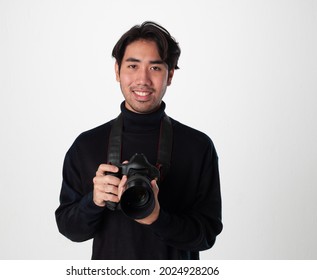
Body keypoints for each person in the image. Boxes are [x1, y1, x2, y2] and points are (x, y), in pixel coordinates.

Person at [55, 21, 222, 260]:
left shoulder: (198, 147)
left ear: (170, 74)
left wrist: (157, 217)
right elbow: (70, 229)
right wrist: (94, 201)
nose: (142, 79)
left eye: (155, 68)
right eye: (132, 66)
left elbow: (207, 235)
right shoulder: (86, 145)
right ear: (117, 70)